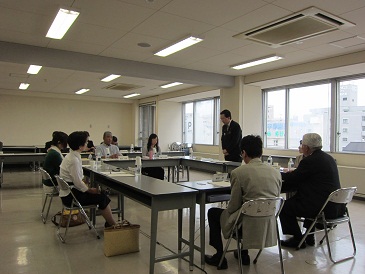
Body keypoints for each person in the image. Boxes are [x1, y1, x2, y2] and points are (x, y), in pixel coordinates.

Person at [205, 135, 282, 269]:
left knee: (213, 212)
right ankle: (243, 254)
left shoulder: (239, 172)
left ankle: (219, 256)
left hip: (246, 225)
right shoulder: (275, 173)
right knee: (248, 209)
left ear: (244, 153)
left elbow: (233, 205)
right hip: (268, 225)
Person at [280, 133, 344, 248]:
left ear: (307, 148)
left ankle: (298, 239)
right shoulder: (327, 158)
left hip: (323, 208)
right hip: (336, 206)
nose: (301, 146)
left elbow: (294, 178)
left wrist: (276, 175)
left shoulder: (310, 160)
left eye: (302, 144)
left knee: (284, 207)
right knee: (308, 199)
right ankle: (309, 236)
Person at [59, 131, 116, 227]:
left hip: (69, 193)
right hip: (72, 197)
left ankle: (110, 223)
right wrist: (89, 190)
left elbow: (76, 179)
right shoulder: (74, 160)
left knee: (101, 195)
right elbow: (77, 182)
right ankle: (113, 224)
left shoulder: (71, 156)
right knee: (102, 198)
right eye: (86, 142)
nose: (87, 144)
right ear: (80, 146)